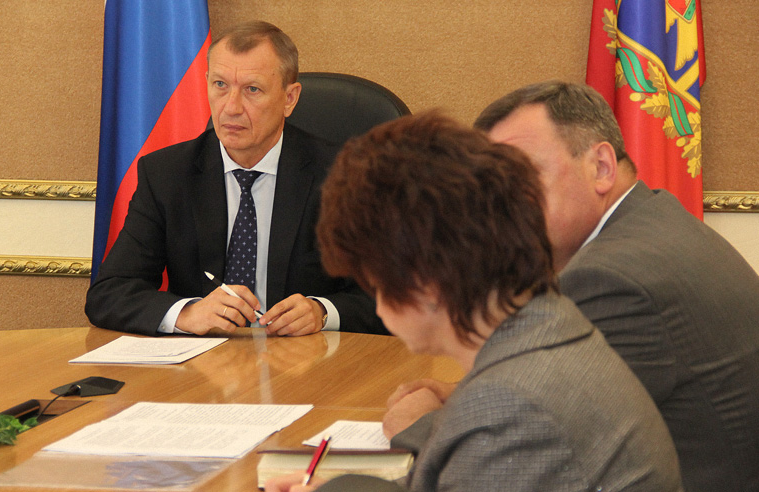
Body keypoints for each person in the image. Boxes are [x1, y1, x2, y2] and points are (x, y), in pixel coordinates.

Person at [266, 112, 682, 492]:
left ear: (426, 280)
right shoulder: (550, 322)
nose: (378, 309)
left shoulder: (508, 408)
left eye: (376, 285)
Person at [386, 82, 759, 491]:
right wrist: (465, 391)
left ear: (601, 167)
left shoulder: (611, 281)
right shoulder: (653, 220)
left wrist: (417, 424)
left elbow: (529, 435)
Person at [85, 21, 386, 337]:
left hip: (306, 359)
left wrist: (322, 311)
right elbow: (109, 293)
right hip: (204, 362)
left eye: (252, 89)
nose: (231, 107)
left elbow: (395, 296)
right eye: (220, 85)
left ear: (289, 98)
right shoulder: (167, 174)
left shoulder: (347, 178)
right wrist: (187, 313)